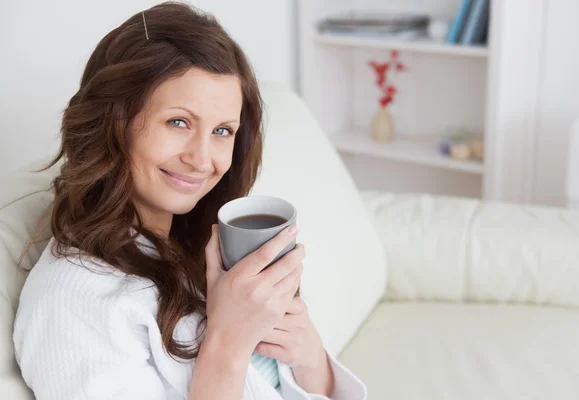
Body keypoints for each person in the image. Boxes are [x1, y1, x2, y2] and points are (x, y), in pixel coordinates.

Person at [12, 2, 366, 400]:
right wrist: (227, 344)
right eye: (178, 122)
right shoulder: (73, 303)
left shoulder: (202, 245)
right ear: (114, 121)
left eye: (222, 131)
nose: (201, 160)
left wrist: (308, 355)